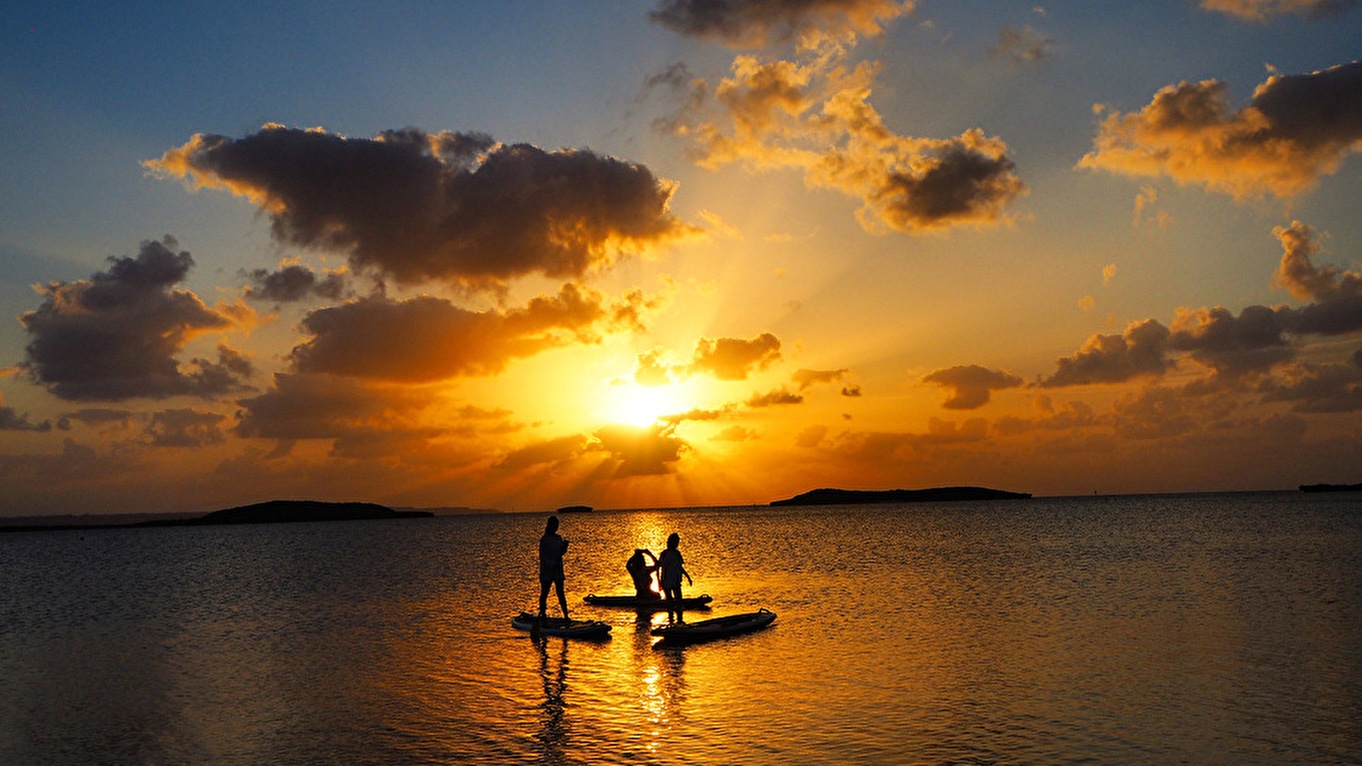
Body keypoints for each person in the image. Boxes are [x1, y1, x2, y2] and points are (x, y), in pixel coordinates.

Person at [538, 515, 570, 620]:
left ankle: (566, 615)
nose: (556, 527)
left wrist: (565, 547)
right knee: (544, 593)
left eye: (557, 525)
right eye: (555, 525)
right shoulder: (544, 539)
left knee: (560, 593)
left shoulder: (558, 538)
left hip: (557, 570)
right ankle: (542, 614)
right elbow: (542, 556)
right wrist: (551, 564)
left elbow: (560, 553)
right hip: (547, 570)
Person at [657, 532, 692, 624]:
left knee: (679, 600)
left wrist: (688, 577)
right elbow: (658, 567)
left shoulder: (677, 554)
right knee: (670, 601)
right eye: (675, 542)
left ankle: (679, 620)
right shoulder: (664, 554)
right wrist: (659, 582)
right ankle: (671, 620)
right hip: (666, 581)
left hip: (676, 580)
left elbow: (680, 567)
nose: (677, 544)